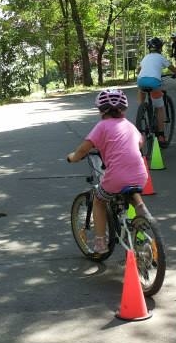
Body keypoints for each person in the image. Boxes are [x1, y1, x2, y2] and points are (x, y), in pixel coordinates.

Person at [65, 89, 151, 255]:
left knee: (99, 200)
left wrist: (73, 157)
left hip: (116, 177)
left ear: (101, 110)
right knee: (131, 188)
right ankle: (142, 210)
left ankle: (100, 243)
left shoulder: (102, 126)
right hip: (140, 174)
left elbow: (83, 149)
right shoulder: (129, 125)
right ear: (123, 109)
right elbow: (140, 143)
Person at [136, 37, 174, 148]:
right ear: (160, 48)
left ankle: (141, 109)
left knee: (141, 89)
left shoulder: (145, 57)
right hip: (154, 82)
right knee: (159, 107)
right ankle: (161, 136)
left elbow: (139, 70)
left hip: (141, 80)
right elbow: (171, 67)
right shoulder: (161, 57)